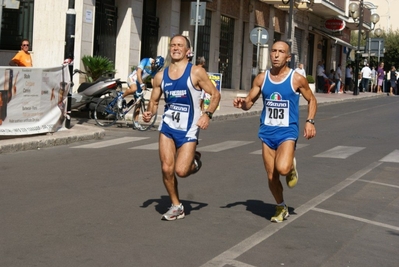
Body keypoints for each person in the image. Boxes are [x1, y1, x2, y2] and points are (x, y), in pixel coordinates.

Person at [233, 41, 317, 223]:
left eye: (281, 52)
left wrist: (310, 121)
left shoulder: (296, 79)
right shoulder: (262, 79)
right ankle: (281, 206)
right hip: (267, 132)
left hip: (287, 131)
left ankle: (291, 167)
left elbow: (312, 100)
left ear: (288, 57)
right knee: (271, 175)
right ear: (270, 54)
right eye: (274, 51)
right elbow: (249, 102)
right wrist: (242, 104)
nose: (276, 55)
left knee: (283, 168)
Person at [142, 35, 221, 221]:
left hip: (189, 128)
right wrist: (149, 113)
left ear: (188, 51)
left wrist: (207, 114)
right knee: (166, 168)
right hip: (168, 126)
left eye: (180, 45)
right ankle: (176, 205)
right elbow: (153, 101)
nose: (175, 48)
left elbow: (215, 94)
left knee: (181, 171)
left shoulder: (196, 72)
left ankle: (194, 161)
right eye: (173, 45)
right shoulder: (161, 76)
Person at [117, 56, 164, 130]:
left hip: (139, 83)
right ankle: (121, 97)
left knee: (138, 103)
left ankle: (135, 123)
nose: (154, 69)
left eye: (156, 68)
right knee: (134, 88)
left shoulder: (155, 69)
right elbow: (139, 73)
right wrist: (142, 83)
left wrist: (155, 88)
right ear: (154, 62)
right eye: (154, 67)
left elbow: (152, 79)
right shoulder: (146, 60)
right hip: (133, 78)